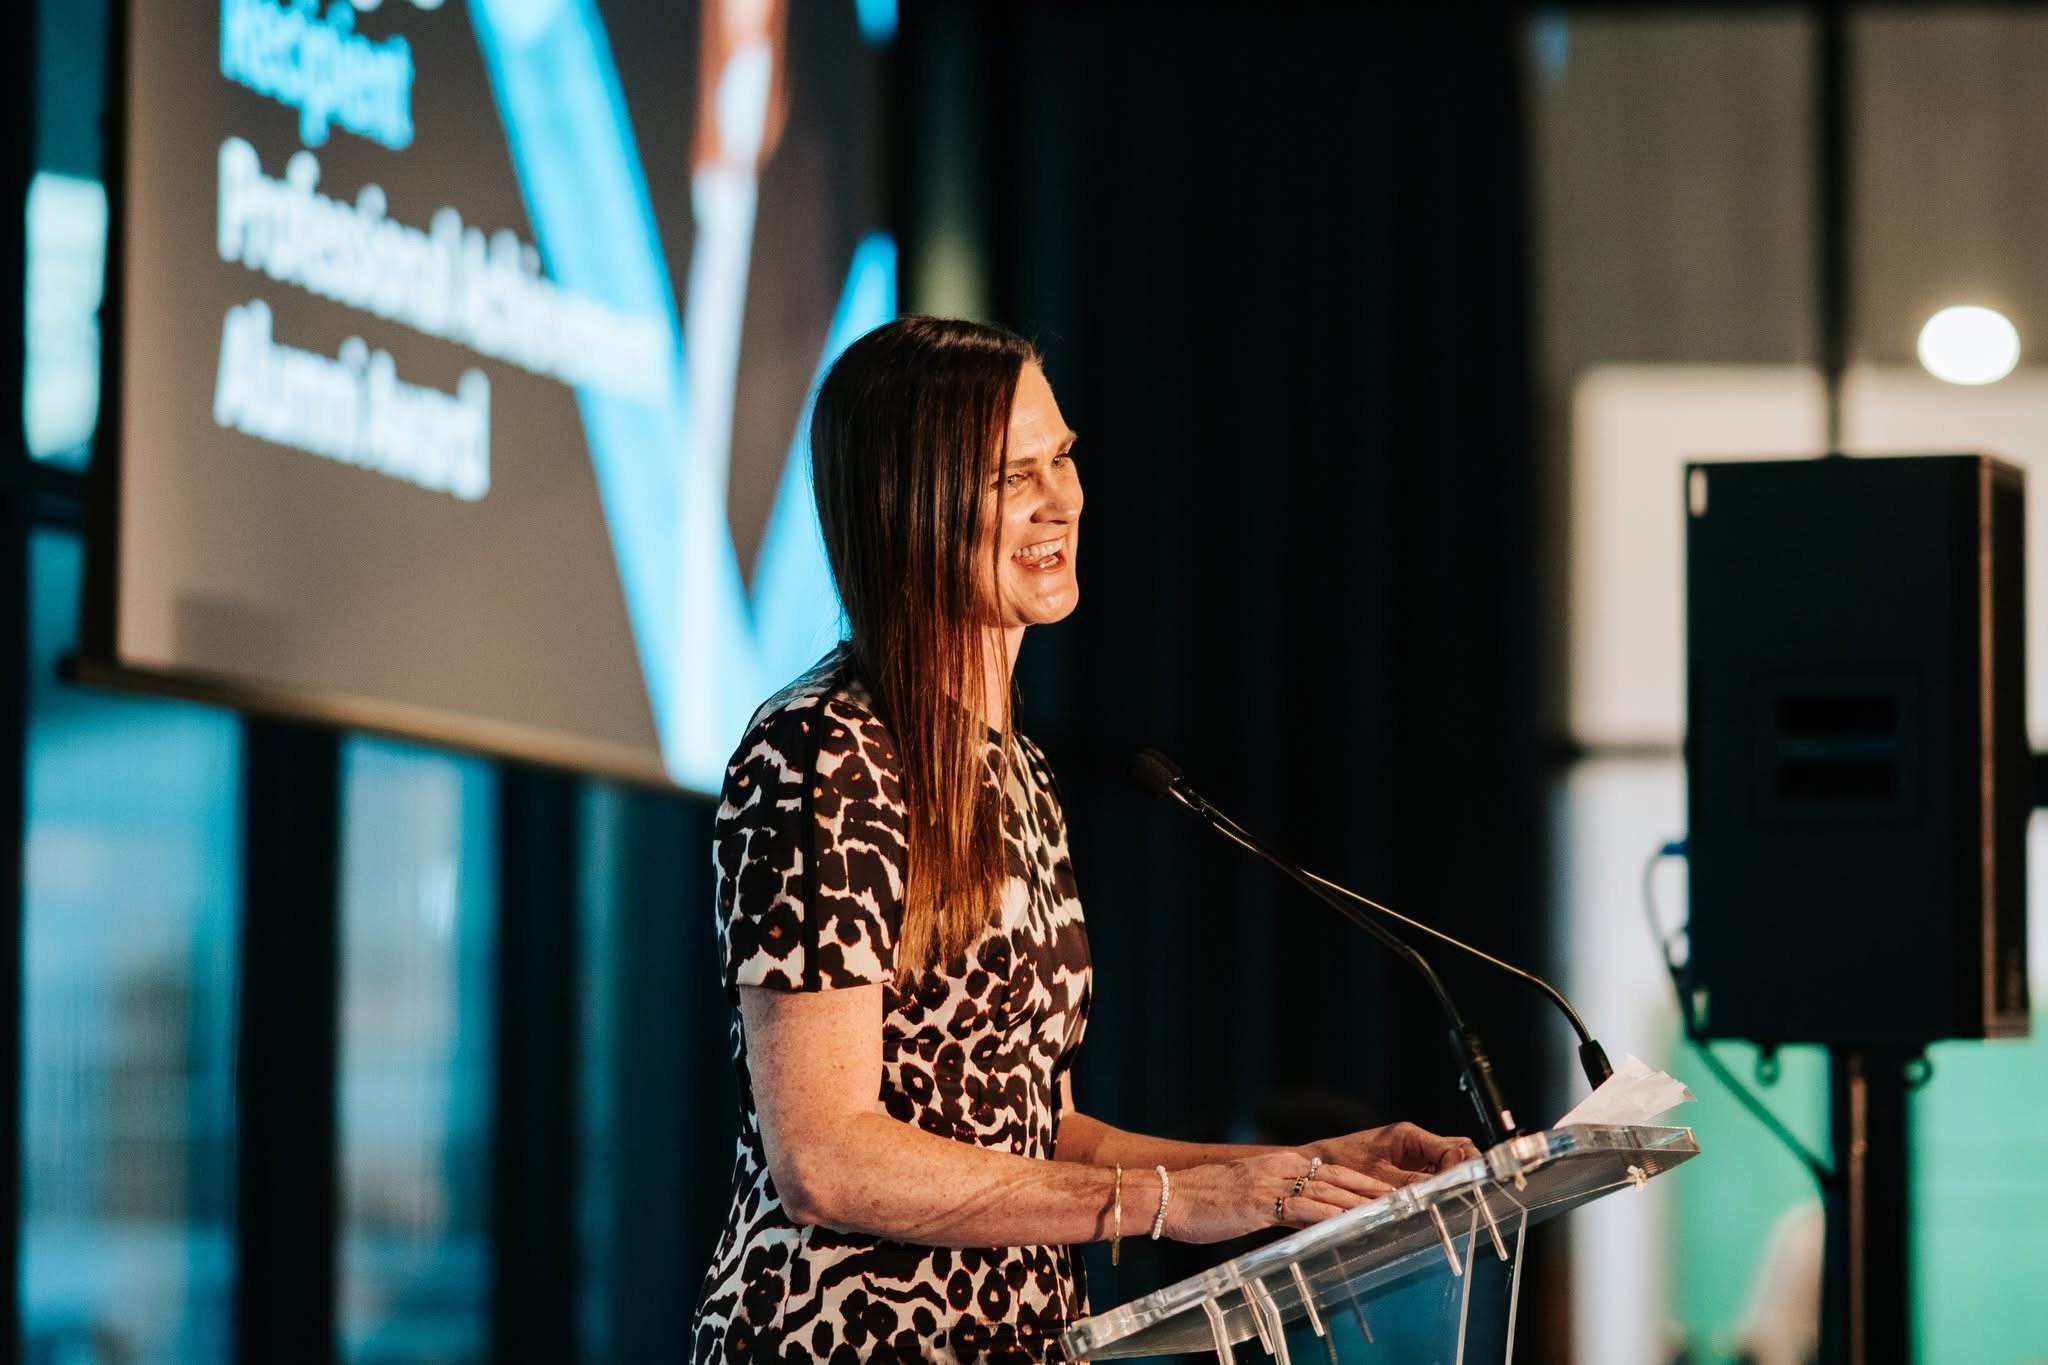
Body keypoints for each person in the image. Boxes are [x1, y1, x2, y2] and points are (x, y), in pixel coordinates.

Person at [690, 317, 1478, 1364]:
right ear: (908, 504)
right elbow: (826, 1159)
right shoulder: (820, 752)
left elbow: (1034, 1134)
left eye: (1060, 456)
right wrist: (1162, 1203)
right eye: (1010, 476)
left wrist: (1297, 1172)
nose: (1059, 499)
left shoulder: (1016, 770)